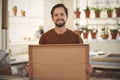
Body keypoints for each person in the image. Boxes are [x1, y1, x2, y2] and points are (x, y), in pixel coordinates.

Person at [26, 3, 92, 76]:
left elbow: (81, 62)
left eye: (62, 14)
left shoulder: (76, 37)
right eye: (56, 15)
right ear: (52, 18)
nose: (59, 17)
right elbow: (40, 62)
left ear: (67, 17)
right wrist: (32, 69)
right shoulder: (44, 37)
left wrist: (88, 69)